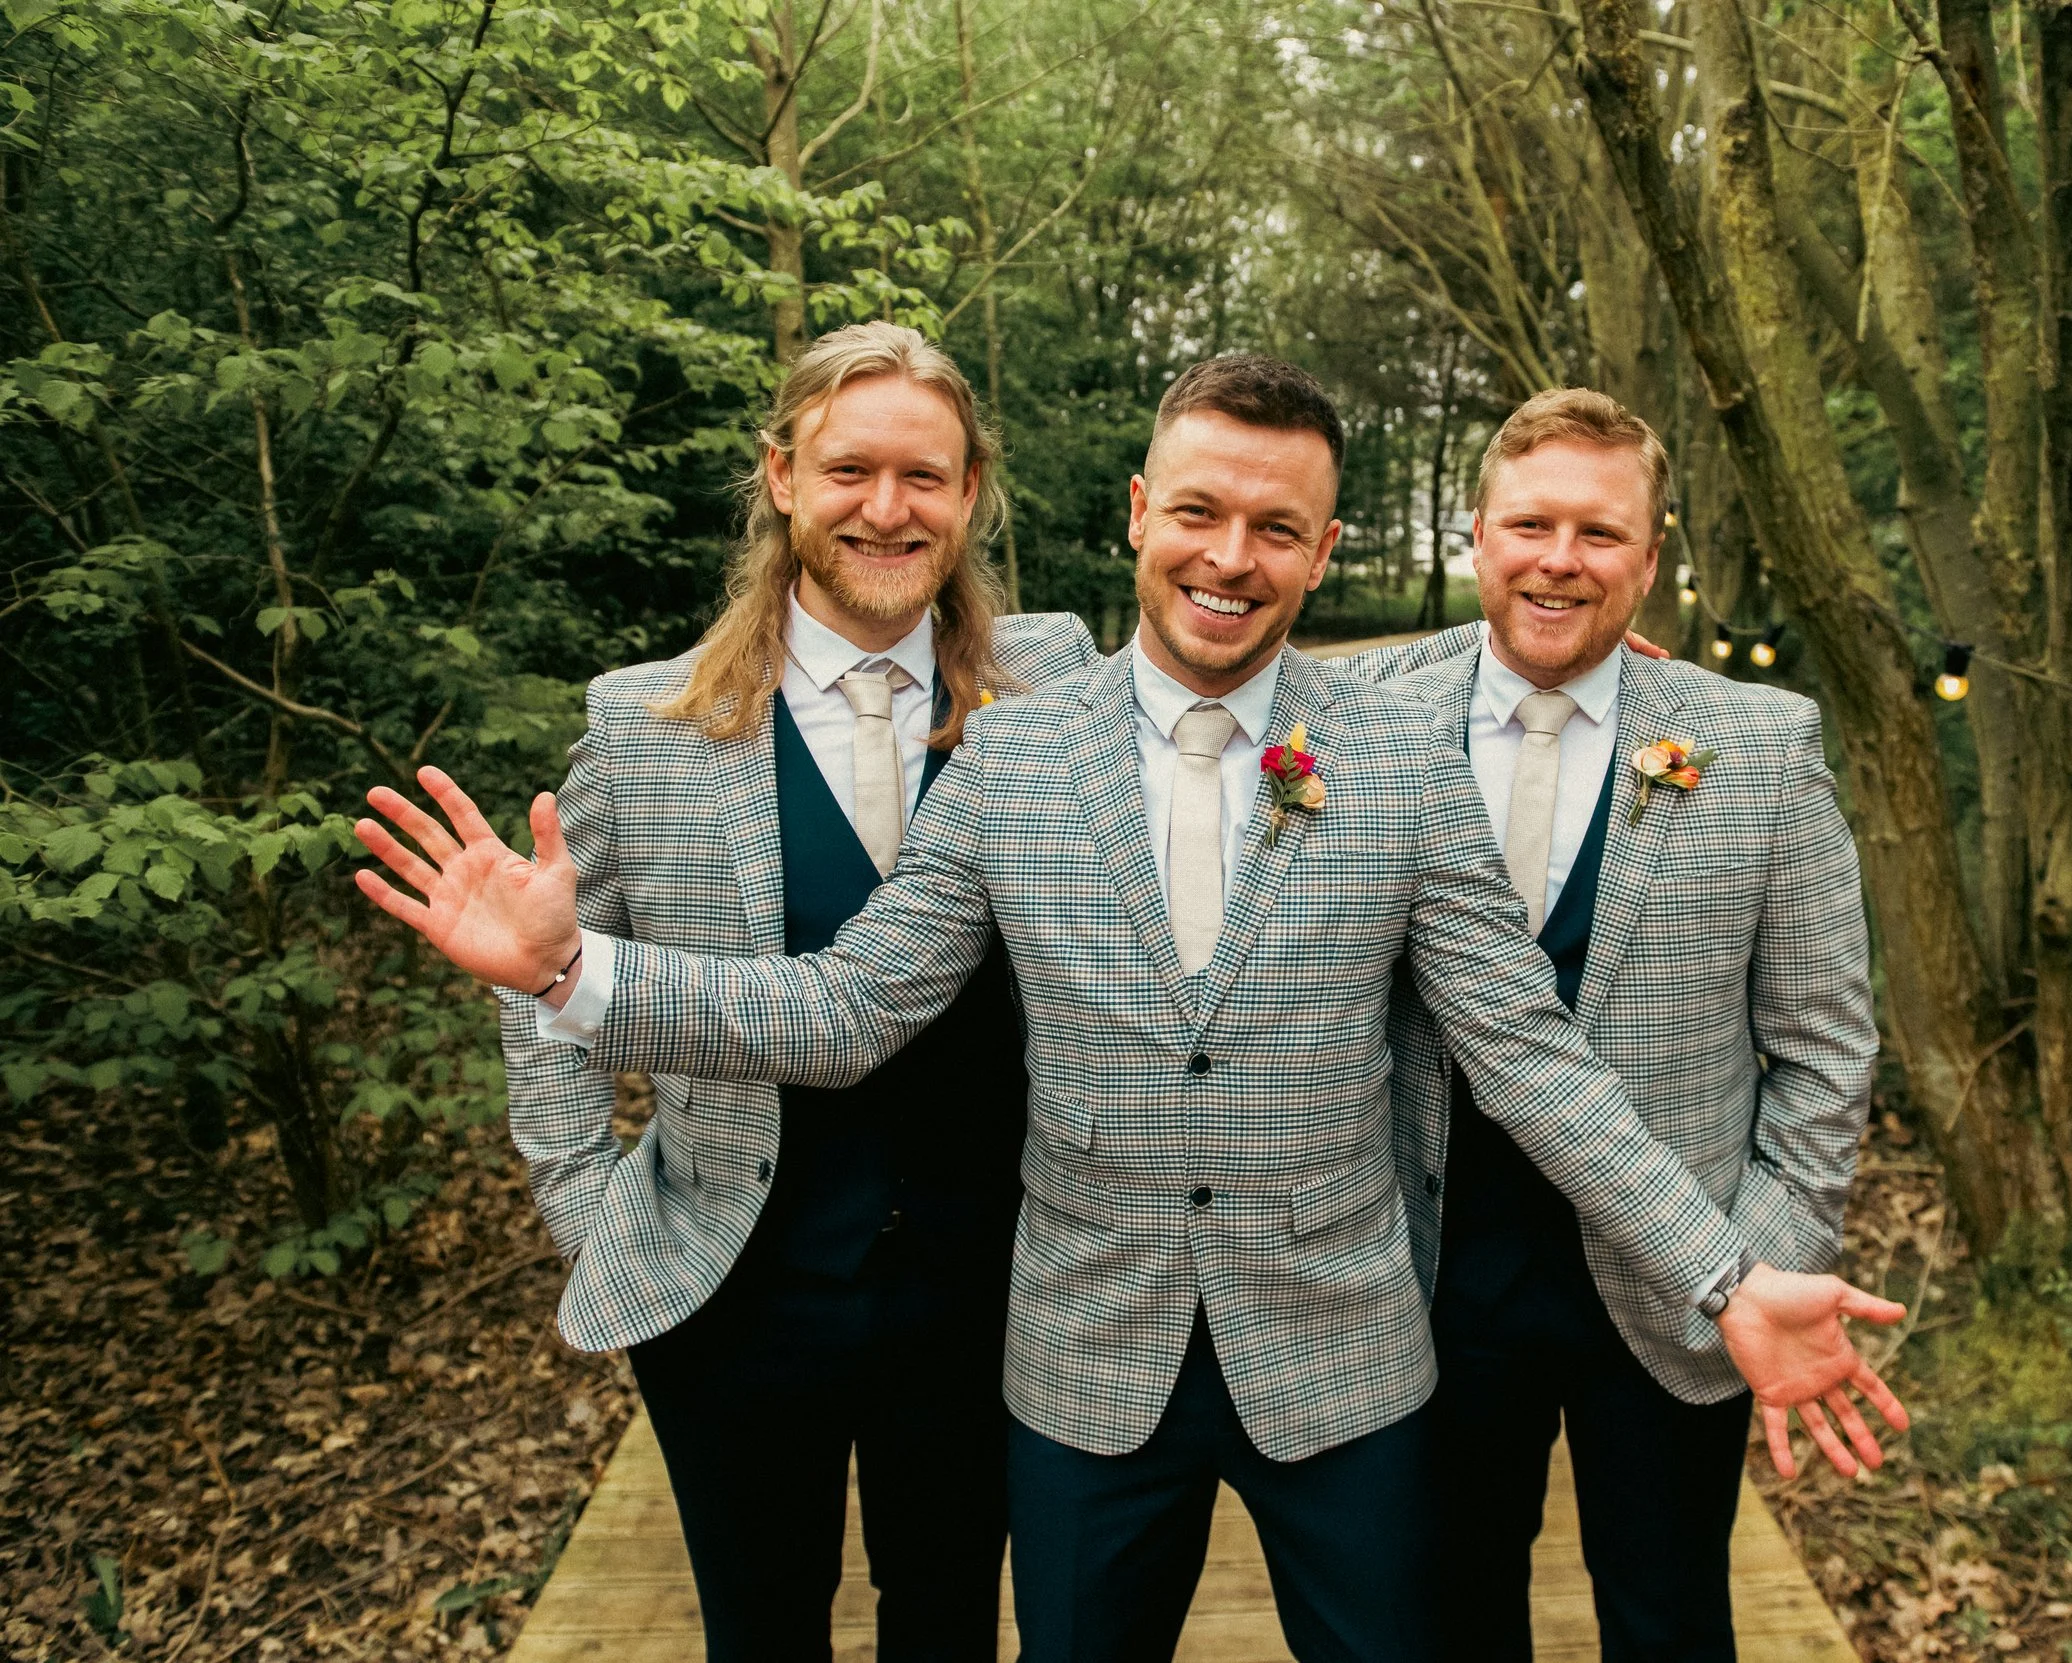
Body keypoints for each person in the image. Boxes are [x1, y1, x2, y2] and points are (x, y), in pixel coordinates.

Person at [353, 355, 1906, 1663]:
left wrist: (1726, 1274)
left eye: (1277, 527)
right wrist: (575, 971)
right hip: (1085, 1367)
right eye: (1203, 513)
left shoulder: (1400, 760)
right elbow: (845, 1009)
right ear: (1139, 514)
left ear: (1322, 547)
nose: (1232, 556)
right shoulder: (1014, 753)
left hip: (1348, 1365)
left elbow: (1529, 1054)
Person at [495, 322, 1097, 1663]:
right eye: (850, 470)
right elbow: (544, 979)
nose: (888, 510)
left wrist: (1572, 660)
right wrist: (590, 1213)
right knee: (760, 1629)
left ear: (972, 489)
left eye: (925, 477)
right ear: (781, 475)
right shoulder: (643, 728)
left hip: (991, 1277)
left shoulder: (1058, 680)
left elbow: (1245, 682)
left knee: (946, 1618)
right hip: (734, 1283)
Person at [1378, 389, 1878, 1662]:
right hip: (1427, 1272)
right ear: (1478, 538)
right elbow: (1146, 680)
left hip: (1674, 1287)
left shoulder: (1759, 745)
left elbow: (1824, 1044)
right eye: (1530, 524)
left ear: (1650, 561)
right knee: (1447, 1610)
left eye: (1600, 534)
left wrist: (1758, 1258)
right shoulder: (1364, 711)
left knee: (1667, 1620)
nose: (1560, 559)